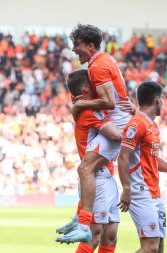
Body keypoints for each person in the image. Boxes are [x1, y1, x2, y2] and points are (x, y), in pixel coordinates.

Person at [63, 24, 134, 243]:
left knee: (85, 167)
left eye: (77, 45)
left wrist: (81, 104)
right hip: (122, 121)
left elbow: (109, 102)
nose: (75, 50)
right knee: (108, 236)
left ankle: (82, 221)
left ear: (90, 45)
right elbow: (117, 98)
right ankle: (80, 218)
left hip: (119, 123)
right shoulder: (106, 59)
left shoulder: (97, 66)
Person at [56, 69, 120, 253]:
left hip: (106, 175)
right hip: (96, 177)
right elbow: (116, 135)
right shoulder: (88, 111)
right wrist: (135, 129)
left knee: (110, 235)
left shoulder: (84, 107)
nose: (98, 87)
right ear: (85, 88)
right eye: (93, 84)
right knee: (94, 235)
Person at [118, 81, 167, 253]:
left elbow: (153, 160)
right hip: (140, 191)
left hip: (154, 193)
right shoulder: (137, 124)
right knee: (150, 248)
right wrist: (126, 188)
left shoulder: (152, 126)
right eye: (162, 98)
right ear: (157, 100)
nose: (162, 102)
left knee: (159, 247)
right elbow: (123, 157)